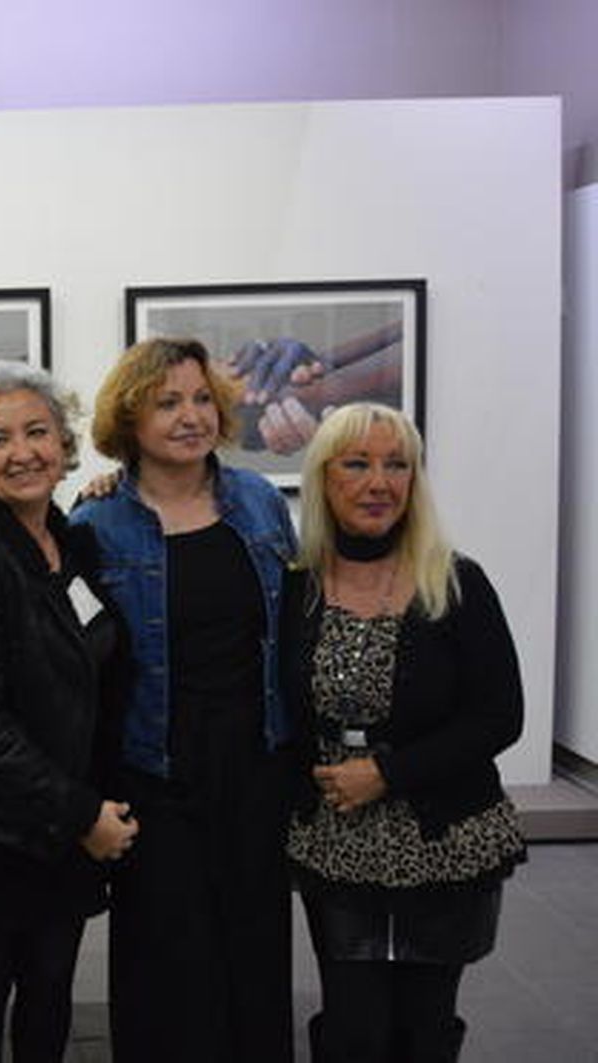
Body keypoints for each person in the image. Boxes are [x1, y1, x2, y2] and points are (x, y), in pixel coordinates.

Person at [71, 337, 297, 1063]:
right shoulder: (95, 522)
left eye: (202, 398)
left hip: (255, 758)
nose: (189, 415)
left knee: (256, 950)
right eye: (167, 402)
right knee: (166, 957)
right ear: (129, 418)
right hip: (152, 766)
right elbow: (86, 662)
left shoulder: (260, 502)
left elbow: (290, 628)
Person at [284, 403, 525, 1062]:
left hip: (442, 835)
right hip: (335, 840)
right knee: (354, 1024)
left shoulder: (455, 581)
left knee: (424, 1023)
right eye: (357, 464)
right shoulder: (297, 585)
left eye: (397, 465)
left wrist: (388, 773)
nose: (379, 482)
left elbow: (500, 714)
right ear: (324, 479)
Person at [0, 361, 136, 1062]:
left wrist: (83, 812)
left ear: (64, 443)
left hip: (61, 831)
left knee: (48, 1005)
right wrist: (82, 815)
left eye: (37, 431)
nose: (23, 452)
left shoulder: (71, 540)